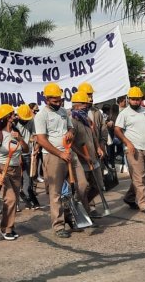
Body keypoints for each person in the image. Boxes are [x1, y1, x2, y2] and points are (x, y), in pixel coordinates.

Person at [34, 83, 84, 239]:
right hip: (53, 156)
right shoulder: (41, 116)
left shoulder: (63, 112)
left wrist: (70, 132)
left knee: (82, 185)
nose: (58, 103)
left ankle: (71, 215)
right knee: (56, 193)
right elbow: (41, 140)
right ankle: (58, 225)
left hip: (69, 152)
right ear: (46, 99)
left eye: (59, 100)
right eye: (54, 101)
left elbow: (72, 129)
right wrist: (59, 154)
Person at [114, 87, 145, 214]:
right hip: (133, 149)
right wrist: (128, 143)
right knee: (139, 177)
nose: (135, 102)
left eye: (138, 99)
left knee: (142, 176)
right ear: (129, 99)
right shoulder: (124, 113)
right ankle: (144, 204)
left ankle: (129, 197)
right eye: (133, 99)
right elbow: (117, 130)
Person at [0, 104, 28, 240]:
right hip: (2, 169)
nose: (14, 117)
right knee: (10, 199)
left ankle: (9, 225)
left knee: (14, 200)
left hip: (16, 169)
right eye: (11, 115)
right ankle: (6, 228)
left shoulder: (16, 132)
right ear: (5, 118)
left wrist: (20, 139)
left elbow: (27, 149)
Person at [16, 104, 40, 209]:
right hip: (16, 154)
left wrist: (36, 145)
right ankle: (15, 203)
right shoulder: (14, 125)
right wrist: (18, 155)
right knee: (16, 179)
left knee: (28, 178)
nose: (25, 121)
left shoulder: (30, 121)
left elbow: (34, 135)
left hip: (29, 154)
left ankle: (28, 199)